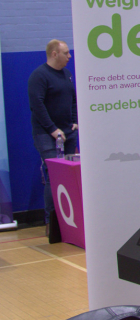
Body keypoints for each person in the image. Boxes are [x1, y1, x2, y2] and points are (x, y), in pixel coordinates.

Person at [28, 39, 78, 227]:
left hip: (68, 132)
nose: (69, 56)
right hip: (46, 135)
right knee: (53, 174)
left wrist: (74, 121)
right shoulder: (39, 76)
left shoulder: (67, 74)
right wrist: (52, 130)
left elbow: (73, 98)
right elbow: (37, 106)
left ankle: (70, 221)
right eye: (66, 53)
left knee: (69, 174)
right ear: (54, 54)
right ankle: (53, 223)